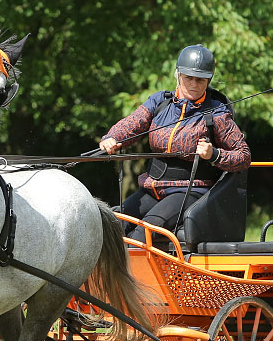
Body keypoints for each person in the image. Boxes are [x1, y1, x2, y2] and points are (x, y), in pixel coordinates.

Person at [99, 44, 250, 241]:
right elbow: (132, 124)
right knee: (111, 226)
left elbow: (243, 156)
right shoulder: (160, 102)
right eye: (189, 78)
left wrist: (214, 155)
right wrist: (112, 138)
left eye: (201, 80)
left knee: (140, 235)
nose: (194, 85)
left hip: (189, 191)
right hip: (152, 189)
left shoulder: (217, 113)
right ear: (178, 75)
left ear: (209, 80)